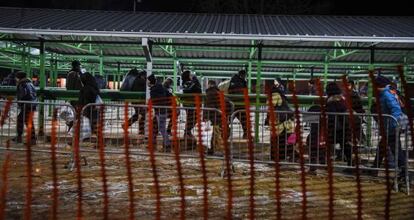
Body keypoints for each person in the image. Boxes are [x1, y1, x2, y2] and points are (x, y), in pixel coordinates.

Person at [372, 75, 407, 182]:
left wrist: (393, 125)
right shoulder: (386, 93)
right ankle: (375, 168)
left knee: (396, 150)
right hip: (388, 126)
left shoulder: (386, 94)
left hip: (391, 127)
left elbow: (396, 110)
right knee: (383, 147)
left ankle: (404, 172)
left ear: (379, 86)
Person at [265, 78, 295, 161]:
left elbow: (271, 106)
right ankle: (291, 156)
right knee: (289, 142)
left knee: (278, 142)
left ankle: (279, 158)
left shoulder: (274, 94)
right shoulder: (280, 94)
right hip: (287, 123)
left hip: (282, 124)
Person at [325, 82, 352, 166]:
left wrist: (329, 126)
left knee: (328, 144)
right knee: (345, 144)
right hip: (345, 125)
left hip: (336, 126)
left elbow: (331, 115)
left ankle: (326, 162)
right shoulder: (342, 99)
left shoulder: (331, 101)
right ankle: (351, 162)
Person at [204, 80, 233, 155]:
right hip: (221, 115)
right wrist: (228, 114)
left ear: (209, 85)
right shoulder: (219, 93)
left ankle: (218, 150)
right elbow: (229, 103)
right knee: (220, 133)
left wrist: (206, 117)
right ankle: (216, 150)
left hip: (215, 116)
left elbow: (208, 106)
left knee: (216, 134)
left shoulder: (209, 93)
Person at [12, 71, 37, 145]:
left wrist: (20, 102)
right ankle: (23, 137)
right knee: (25, 120)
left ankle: (30, 139)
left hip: (27, 104)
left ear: (18, 77)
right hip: (32, 103)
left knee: (25, 121)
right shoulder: (30, 83)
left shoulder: (22, 84)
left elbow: (23, 94)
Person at [148, 74, 171, 151]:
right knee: (159, 127)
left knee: (162, 129)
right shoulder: (161, 87)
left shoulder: (153, 90)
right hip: (164, 110)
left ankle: (167, 145)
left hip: (159, 111)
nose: (147, 83)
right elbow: (169, 96)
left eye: (148, 81)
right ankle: (154, 143)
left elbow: (153, 101)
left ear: (151, 82)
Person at [124, 69, 148, 136]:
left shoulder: (136, 80)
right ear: (142, 76)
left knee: (138, 114)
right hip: (138, 101)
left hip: (136, 101)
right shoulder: (140, 81)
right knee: (142, 114)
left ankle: (126, 125)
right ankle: (141, 130)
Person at [228, 69, 248, 138]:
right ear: (241, 75)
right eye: (244, 75)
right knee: (244, 120)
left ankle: (224, 133)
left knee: (229, 119)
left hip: (235, 104)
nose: (245, 76)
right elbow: (240, 92)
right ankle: (246, 134)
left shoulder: (236, 80)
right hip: (238, 104)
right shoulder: (238, 81)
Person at [181, 70, 202, 137]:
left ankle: (187, 131)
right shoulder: (187, 83)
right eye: (190, 75)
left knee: (192, 118)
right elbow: (198, 90)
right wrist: (195, 80)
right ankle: (187, 131)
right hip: (191, 104)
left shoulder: (189, 83)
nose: (191, 76)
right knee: (192, 118)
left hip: (191, 104)